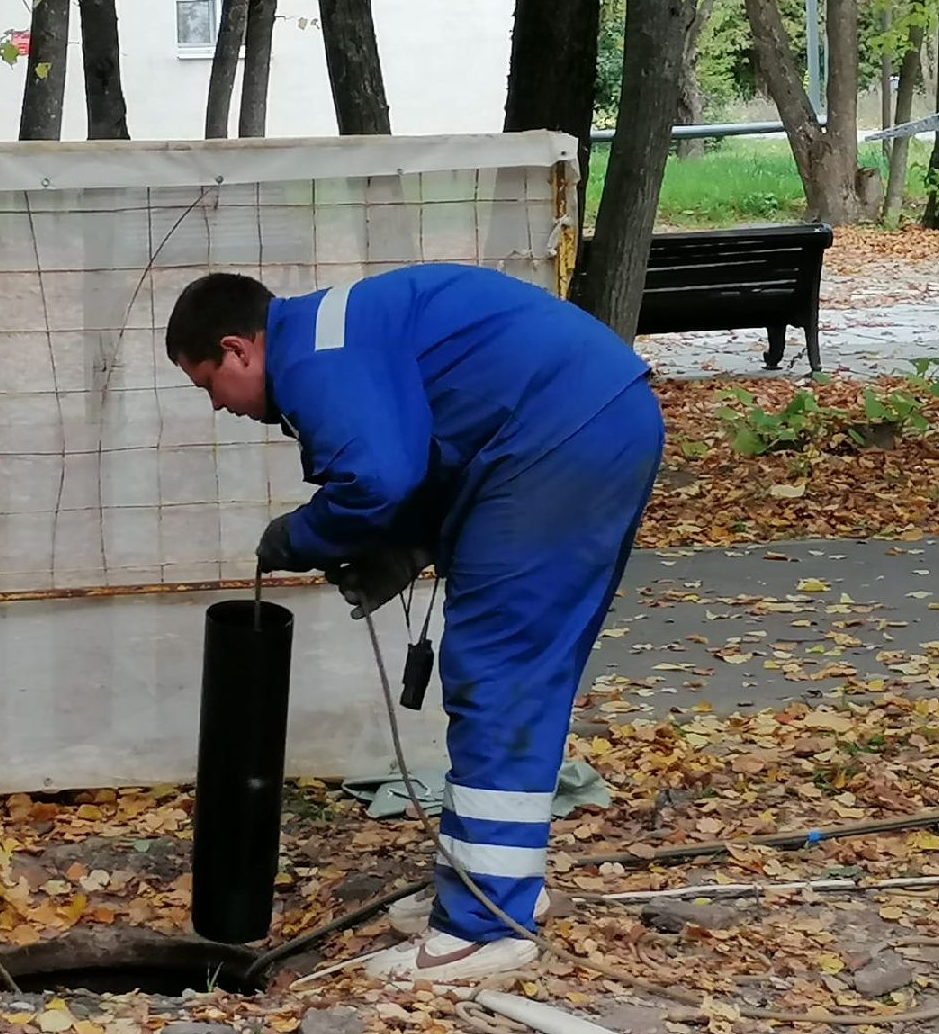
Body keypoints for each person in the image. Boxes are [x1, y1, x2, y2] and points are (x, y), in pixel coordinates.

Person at [165, 263, 664, 981]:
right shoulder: (328, 332)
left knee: (499, 674)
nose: (217, 405)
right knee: (511, 673)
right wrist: (404, 550)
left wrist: (299, 537)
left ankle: (480, 929)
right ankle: (494, 887)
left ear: (239, 349)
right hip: (575, 424)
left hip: (562, 437)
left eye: (208, 383)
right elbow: (438, 440)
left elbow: (376, 479)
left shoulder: (314, 358)